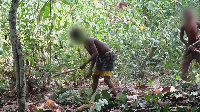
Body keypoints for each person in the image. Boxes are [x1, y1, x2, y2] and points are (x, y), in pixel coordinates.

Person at [70, 27, 117, 97]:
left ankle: (115, 96)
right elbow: (94, 57)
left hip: (108, 56)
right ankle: (92, 96)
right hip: (100, 57)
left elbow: (95, 53)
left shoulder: (89, 40)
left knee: (106, 79)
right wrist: (90, 69)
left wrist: (85, 63)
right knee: (95, 76)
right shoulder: (85, 45)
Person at [180, 9, 200, 80]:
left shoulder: (196, 22)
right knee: (184, 62)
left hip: (198, 44)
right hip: (190, 45)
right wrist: (189, 46)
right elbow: (181, 38)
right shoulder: (184, 25)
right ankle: (183, 80)